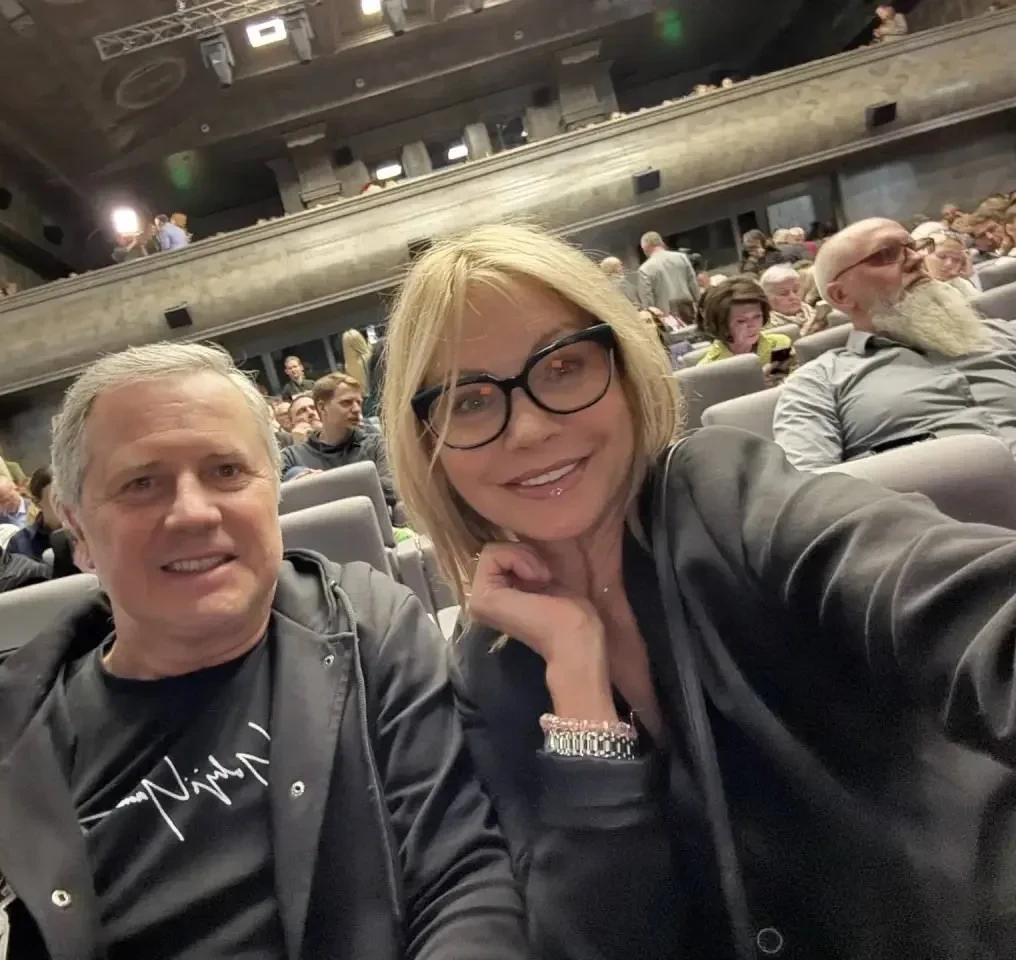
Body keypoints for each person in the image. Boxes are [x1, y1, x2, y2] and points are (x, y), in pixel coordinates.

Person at [381, 221, 1016, 959]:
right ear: (426, 446)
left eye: (562, 366)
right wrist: (578, 679)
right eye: (468, 401)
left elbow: (957, 601)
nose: (526, 429)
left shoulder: (725, 496)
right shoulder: (491, 665)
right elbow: (598, 941)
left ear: (624, 369)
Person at [0, 342, 527, 960]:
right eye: (142, 484)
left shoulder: (370, 636)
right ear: (79, 533)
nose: (192, 512)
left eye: (227, 472)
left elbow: (460, 878)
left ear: (274, 496)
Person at [773, 217, 1016, 471]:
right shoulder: (819, 384)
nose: (917, 258)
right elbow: (808, 486)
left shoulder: (1000, 333)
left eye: (915, 246)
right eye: (888, 253)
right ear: (841, 295)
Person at [280, 373, 400, 510]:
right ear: (322, 407)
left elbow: (390, 490)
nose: (356, 409)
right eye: (346, 403)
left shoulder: (375, 444)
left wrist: (321, 487)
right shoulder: (292, 456)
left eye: (359, 402)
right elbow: (278, 500)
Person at [695, 276, 794, 381]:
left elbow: (784, 382)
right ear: (722, 324)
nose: (753, 325)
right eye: (741, 321)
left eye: (757, 316)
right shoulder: (707, 369)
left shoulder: (779, 344)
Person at [6, 466, 64, 563]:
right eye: (56, 497)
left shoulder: (87, 533)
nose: (67, 502)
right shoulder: (20, 543)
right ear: (36, 502)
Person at [636, 231, 699, 312]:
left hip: (666, 316)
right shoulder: (681, 257)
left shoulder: (644, 269)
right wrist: (698, 303)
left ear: (645, 248)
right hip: (689, 310)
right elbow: (693, 283)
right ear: (661, 242)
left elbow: (648, 301)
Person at [915, 225, 981, 295]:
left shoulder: (959, 283)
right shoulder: (915, 291)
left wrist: (968, 276)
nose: (949, 263)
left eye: (956, 259)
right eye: (942, 257)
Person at [759, 263, 817, 330]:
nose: (793, 297)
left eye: (795, 290)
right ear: (766, 298)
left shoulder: (815, 313)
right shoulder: (763, 329)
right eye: (783, 293)